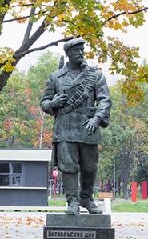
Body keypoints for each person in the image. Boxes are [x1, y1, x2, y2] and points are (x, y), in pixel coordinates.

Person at [40, 38, 111, 215]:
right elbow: (44, 103)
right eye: (76, 50)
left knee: (89, 167)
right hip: (65, 128)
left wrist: (96, 119)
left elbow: (105, 100)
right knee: (69, 167)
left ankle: (86, 197)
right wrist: (54, 102)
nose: (81, 53)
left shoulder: (95, 75)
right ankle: (72, 201)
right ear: (68, 54)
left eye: (82, 50)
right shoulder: (55, 77)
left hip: (88, 127)